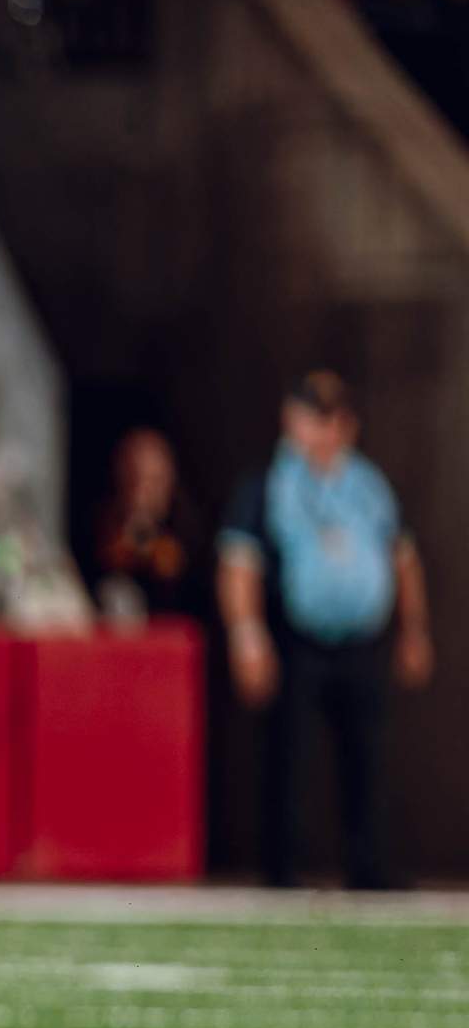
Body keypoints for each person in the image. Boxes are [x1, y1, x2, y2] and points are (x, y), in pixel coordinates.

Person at [218, 372, 434, 890]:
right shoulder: (271, 483)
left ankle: (370, 867)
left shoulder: (367, 484)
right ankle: (283, 870)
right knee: (288, 757)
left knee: (367, 757)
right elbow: (239, 563)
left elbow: (402, 558)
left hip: (361, 641)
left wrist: (414, 630)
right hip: (298, 639)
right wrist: (247, 636)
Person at [91, 426, 199, 620]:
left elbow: (172, 567)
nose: (143, 491)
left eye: (153, 481)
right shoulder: (103, 520)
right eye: (135, 480)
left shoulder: (186, 524)